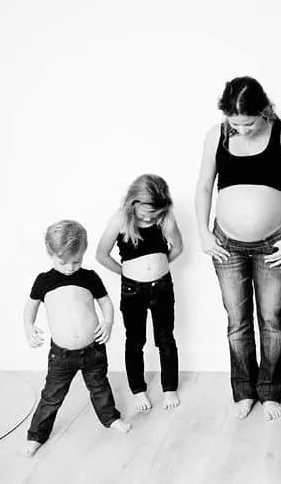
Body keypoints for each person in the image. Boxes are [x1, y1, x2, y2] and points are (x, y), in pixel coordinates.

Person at [195, 76, 281, 421]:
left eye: (247, 123)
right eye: (234, 123)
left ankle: (270, 391)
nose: (240, 130)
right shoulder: (217, 134)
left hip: (274, 242)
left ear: (264, 111)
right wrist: (203, 233)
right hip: (226, 243)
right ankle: (244, 391)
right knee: (237, 321)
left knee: (272, 319)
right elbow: (203, 188)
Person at [22, 220, 131, 456]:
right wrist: (29, 327)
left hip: (93, 349)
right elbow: (30, 307)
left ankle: (110, 418)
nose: (71, 268)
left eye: (77, 261)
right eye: (63, 262)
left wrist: (108, 323)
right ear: (50, 254)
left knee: (100, 387)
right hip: (61, 355)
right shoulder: (44, 281)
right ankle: (36, 435)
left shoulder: (89, 277)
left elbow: (105, 303)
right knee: (51, 396)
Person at [96, 174, 184, 411]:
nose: (148, 217)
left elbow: (178, 247)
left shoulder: (165, 218)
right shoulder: (120, 220)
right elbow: (101, 255)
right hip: (133, 290)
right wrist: (127, 273)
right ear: (133, 201)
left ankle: (169, 388)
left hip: (162, 287)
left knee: (165, 338)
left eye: (154, 213)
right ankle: (138, 389)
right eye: (145, 211)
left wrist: (160, 266)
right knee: (135, 340)